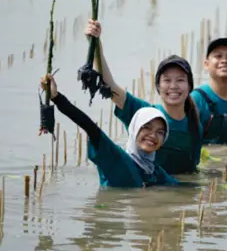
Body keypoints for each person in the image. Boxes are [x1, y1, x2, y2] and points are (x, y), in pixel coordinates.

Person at [84, 20, 203, 175]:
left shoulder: (195, 127)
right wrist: (95, 45)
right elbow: (110, 86)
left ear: (189, 87)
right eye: (167, 80)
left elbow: (193, 172)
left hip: (175, 192)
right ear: (158, 87)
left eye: (180, 80)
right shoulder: (143, 113)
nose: (173, 86)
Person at [40, 74, 183, 188]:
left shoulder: (155, 172)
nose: (153, 135)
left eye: (160, 132)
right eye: (146, 127)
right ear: (134, 130)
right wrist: (56, 98)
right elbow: (90, 127)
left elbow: (182, 187)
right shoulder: (117, 159)